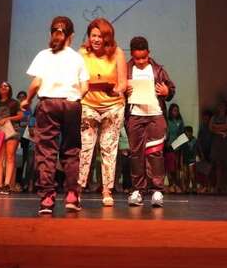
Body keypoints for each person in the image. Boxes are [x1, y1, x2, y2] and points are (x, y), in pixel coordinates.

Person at [20, 16, 89, 214]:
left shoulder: (44, 55)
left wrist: (27, 100)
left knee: (46, 151)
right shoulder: (77, 57)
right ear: (71, 36)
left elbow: (36, 83)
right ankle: (72, 196)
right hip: (71, 105)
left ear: (51, 33)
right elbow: (85, 86)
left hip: (48, 105)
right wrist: (75, 98)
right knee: (71, 150)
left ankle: (47, 199)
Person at [77, 18, 127, 206]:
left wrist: (115, 90)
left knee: (108, 149)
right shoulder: (82, 53)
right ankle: (78, 189)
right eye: (93, 35)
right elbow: (77, 79)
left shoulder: (117, 52)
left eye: (100, 36)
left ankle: (107, 190)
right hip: (88, 105)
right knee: (85, 148)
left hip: (112, 107)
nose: (96, 39)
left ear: (107, 37)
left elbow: (123, 83)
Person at [125, 36, 175, 208]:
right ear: (132, 55)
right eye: (137, 58)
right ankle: (138, 190)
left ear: (149, 53)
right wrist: (124, 90)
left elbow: (171, 89)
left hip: (155, 115)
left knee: (155, 153)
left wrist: (167, 91)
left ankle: (157, 190)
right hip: (135, 115)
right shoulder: (126, 69)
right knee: (136, 154)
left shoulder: (158, 70)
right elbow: (118, 90)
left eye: (144, 58)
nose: (140, 61)